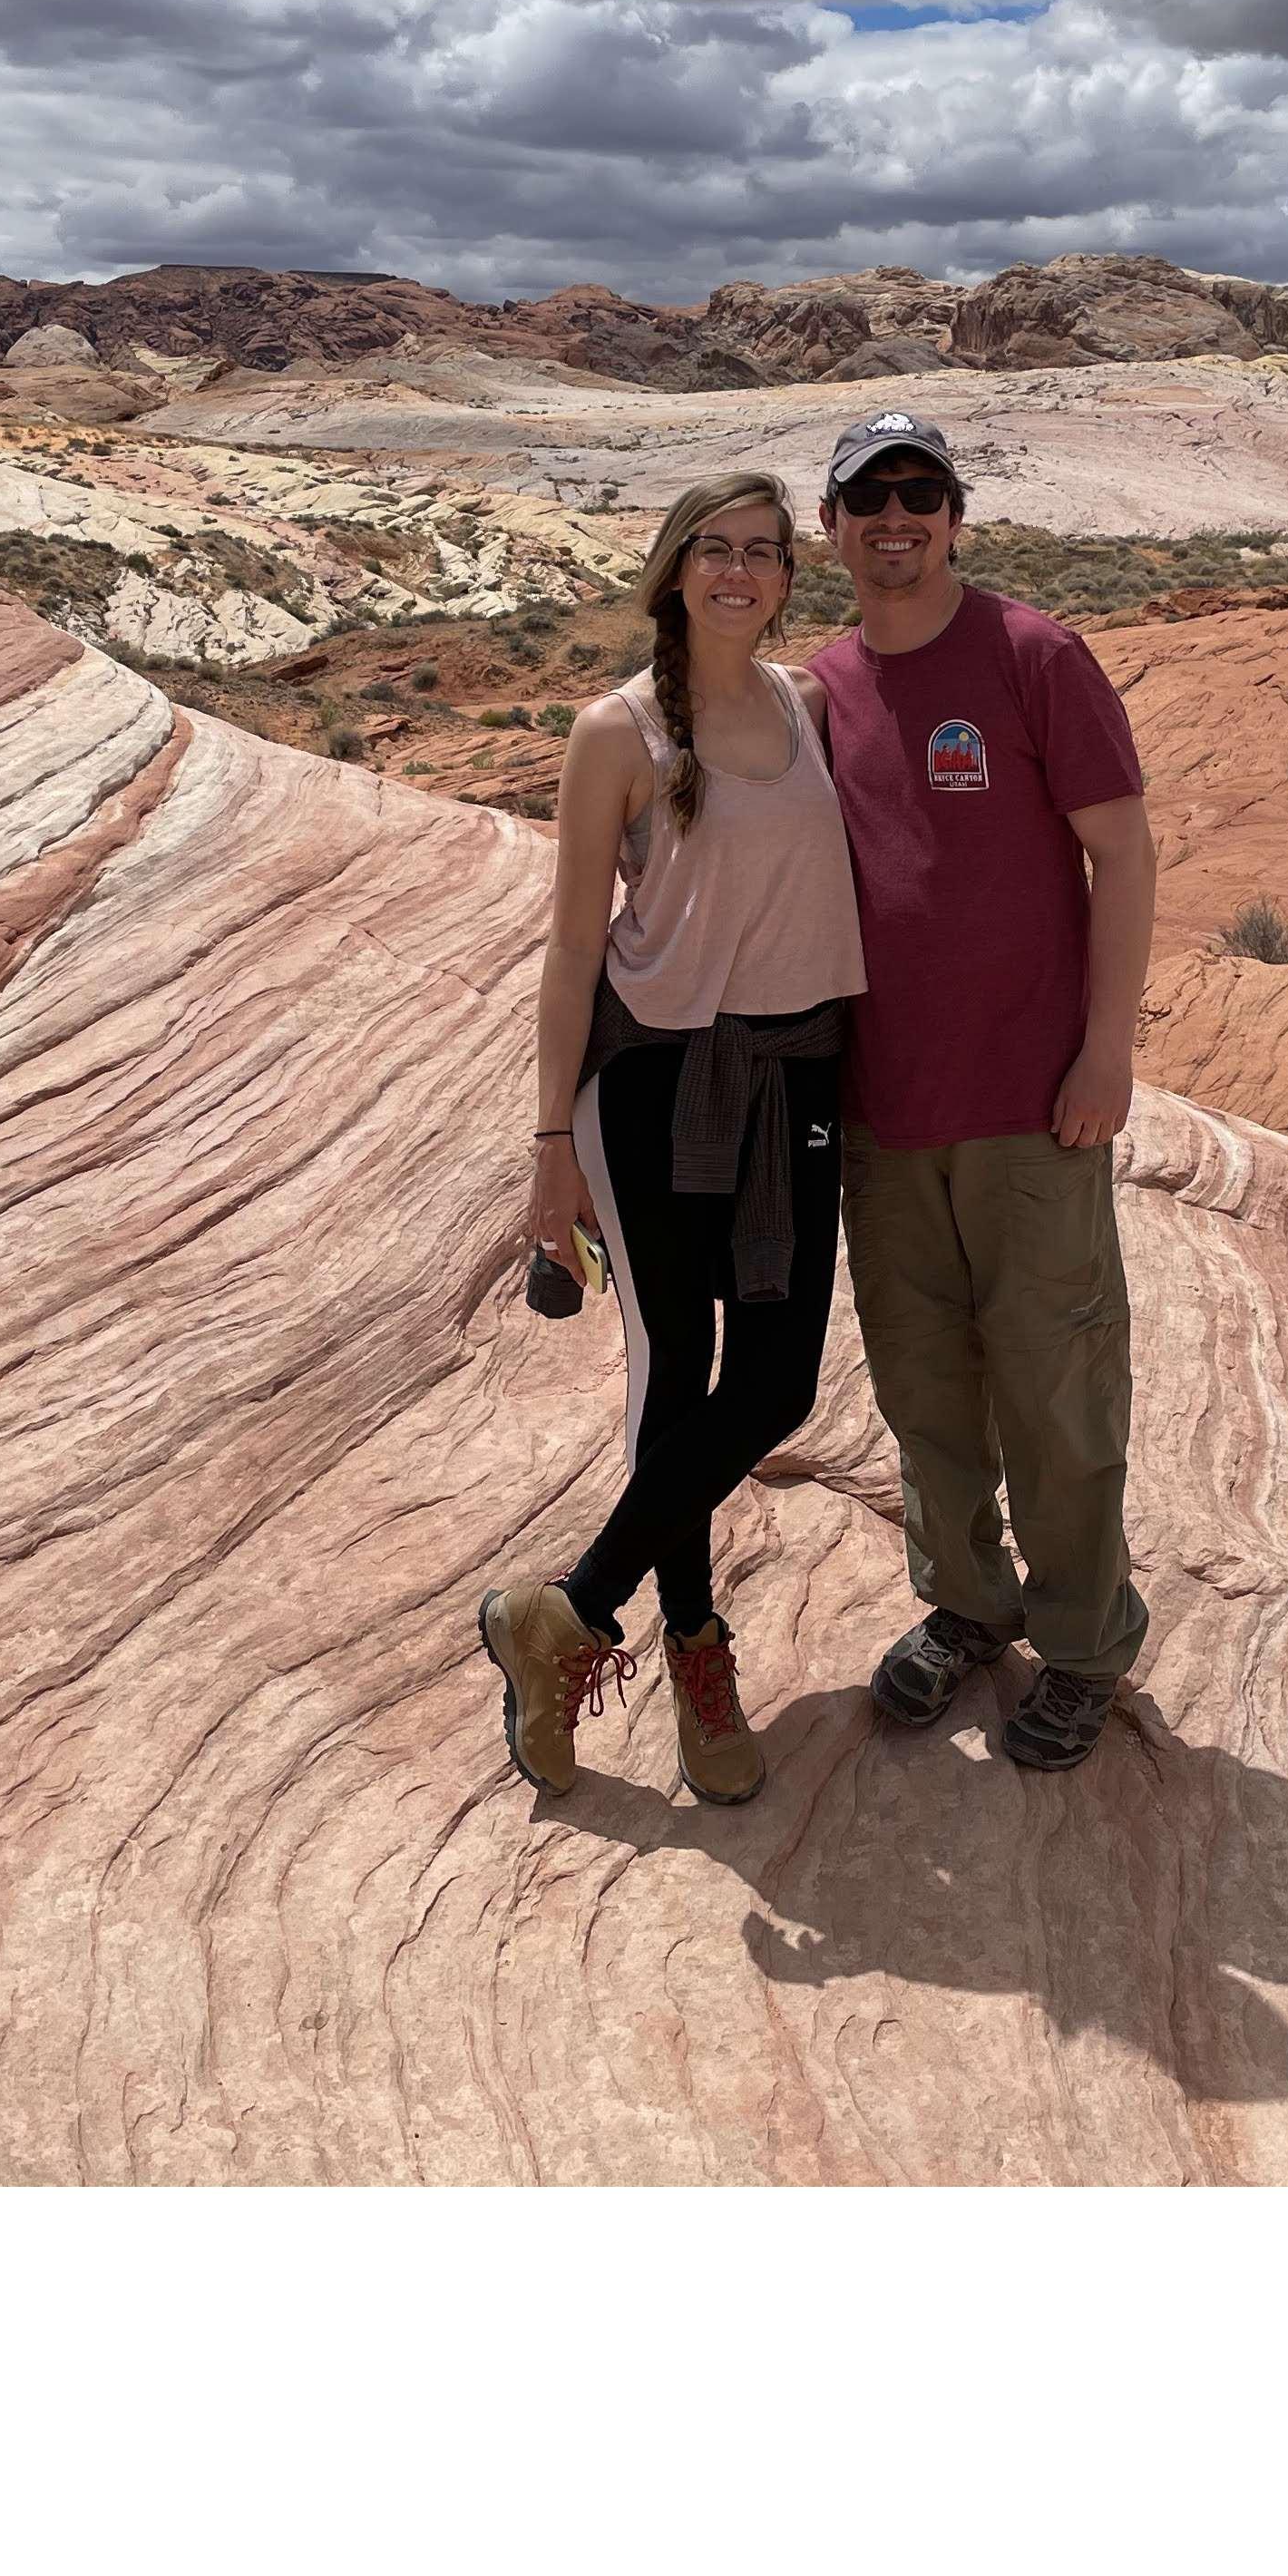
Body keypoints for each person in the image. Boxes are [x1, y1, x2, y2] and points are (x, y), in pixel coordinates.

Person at [479, 471, 866, 1804]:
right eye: (716, 550)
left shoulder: (810, 703)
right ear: (672, 570)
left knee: (774, 1385)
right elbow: (574, 943)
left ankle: (564, 1612)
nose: (740, 572)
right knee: (680, 1376)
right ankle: (696, 1655)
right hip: (659, 1085)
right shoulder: (619, 731)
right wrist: (551, 1147)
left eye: (764, 553)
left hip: (799, 1078)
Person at [810, 408, 1155, 1775]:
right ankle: (967, 1603)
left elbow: (1121, 858)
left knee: (1056, 1384)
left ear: (955, 516)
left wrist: (1107, 1052)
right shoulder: (820, 688)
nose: (896, 519)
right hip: (887, 1113)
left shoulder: (1033, 657)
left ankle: (1082, 1643)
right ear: (830, 526)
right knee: (925, 1389)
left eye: (921, 494)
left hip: (1028, 1102)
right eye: (868, 498)